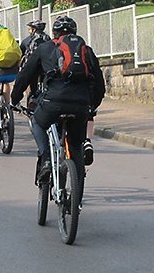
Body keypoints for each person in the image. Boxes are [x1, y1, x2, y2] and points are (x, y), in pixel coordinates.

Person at [11, 16, 105, 203]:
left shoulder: (44, 49)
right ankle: (76, 196)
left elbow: (25, 75)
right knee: (75, 145)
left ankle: (46, 158)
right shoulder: (86, 50)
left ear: (54, 34)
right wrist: (91, 105)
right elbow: (99, 83)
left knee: (37, 122)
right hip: (80, 105)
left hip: (53, 102)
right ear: (75, 32)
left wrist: (15, 99)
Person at [19, 19, 51, 107]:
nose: (29, 31)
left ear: (33, 30)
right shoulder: (49, 39)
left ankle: (31, 100)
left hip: (33, 68)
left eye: (29, 29)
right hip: (46, 68)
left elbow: (20, 54)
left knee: (30, 84)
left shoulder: (27, 41)